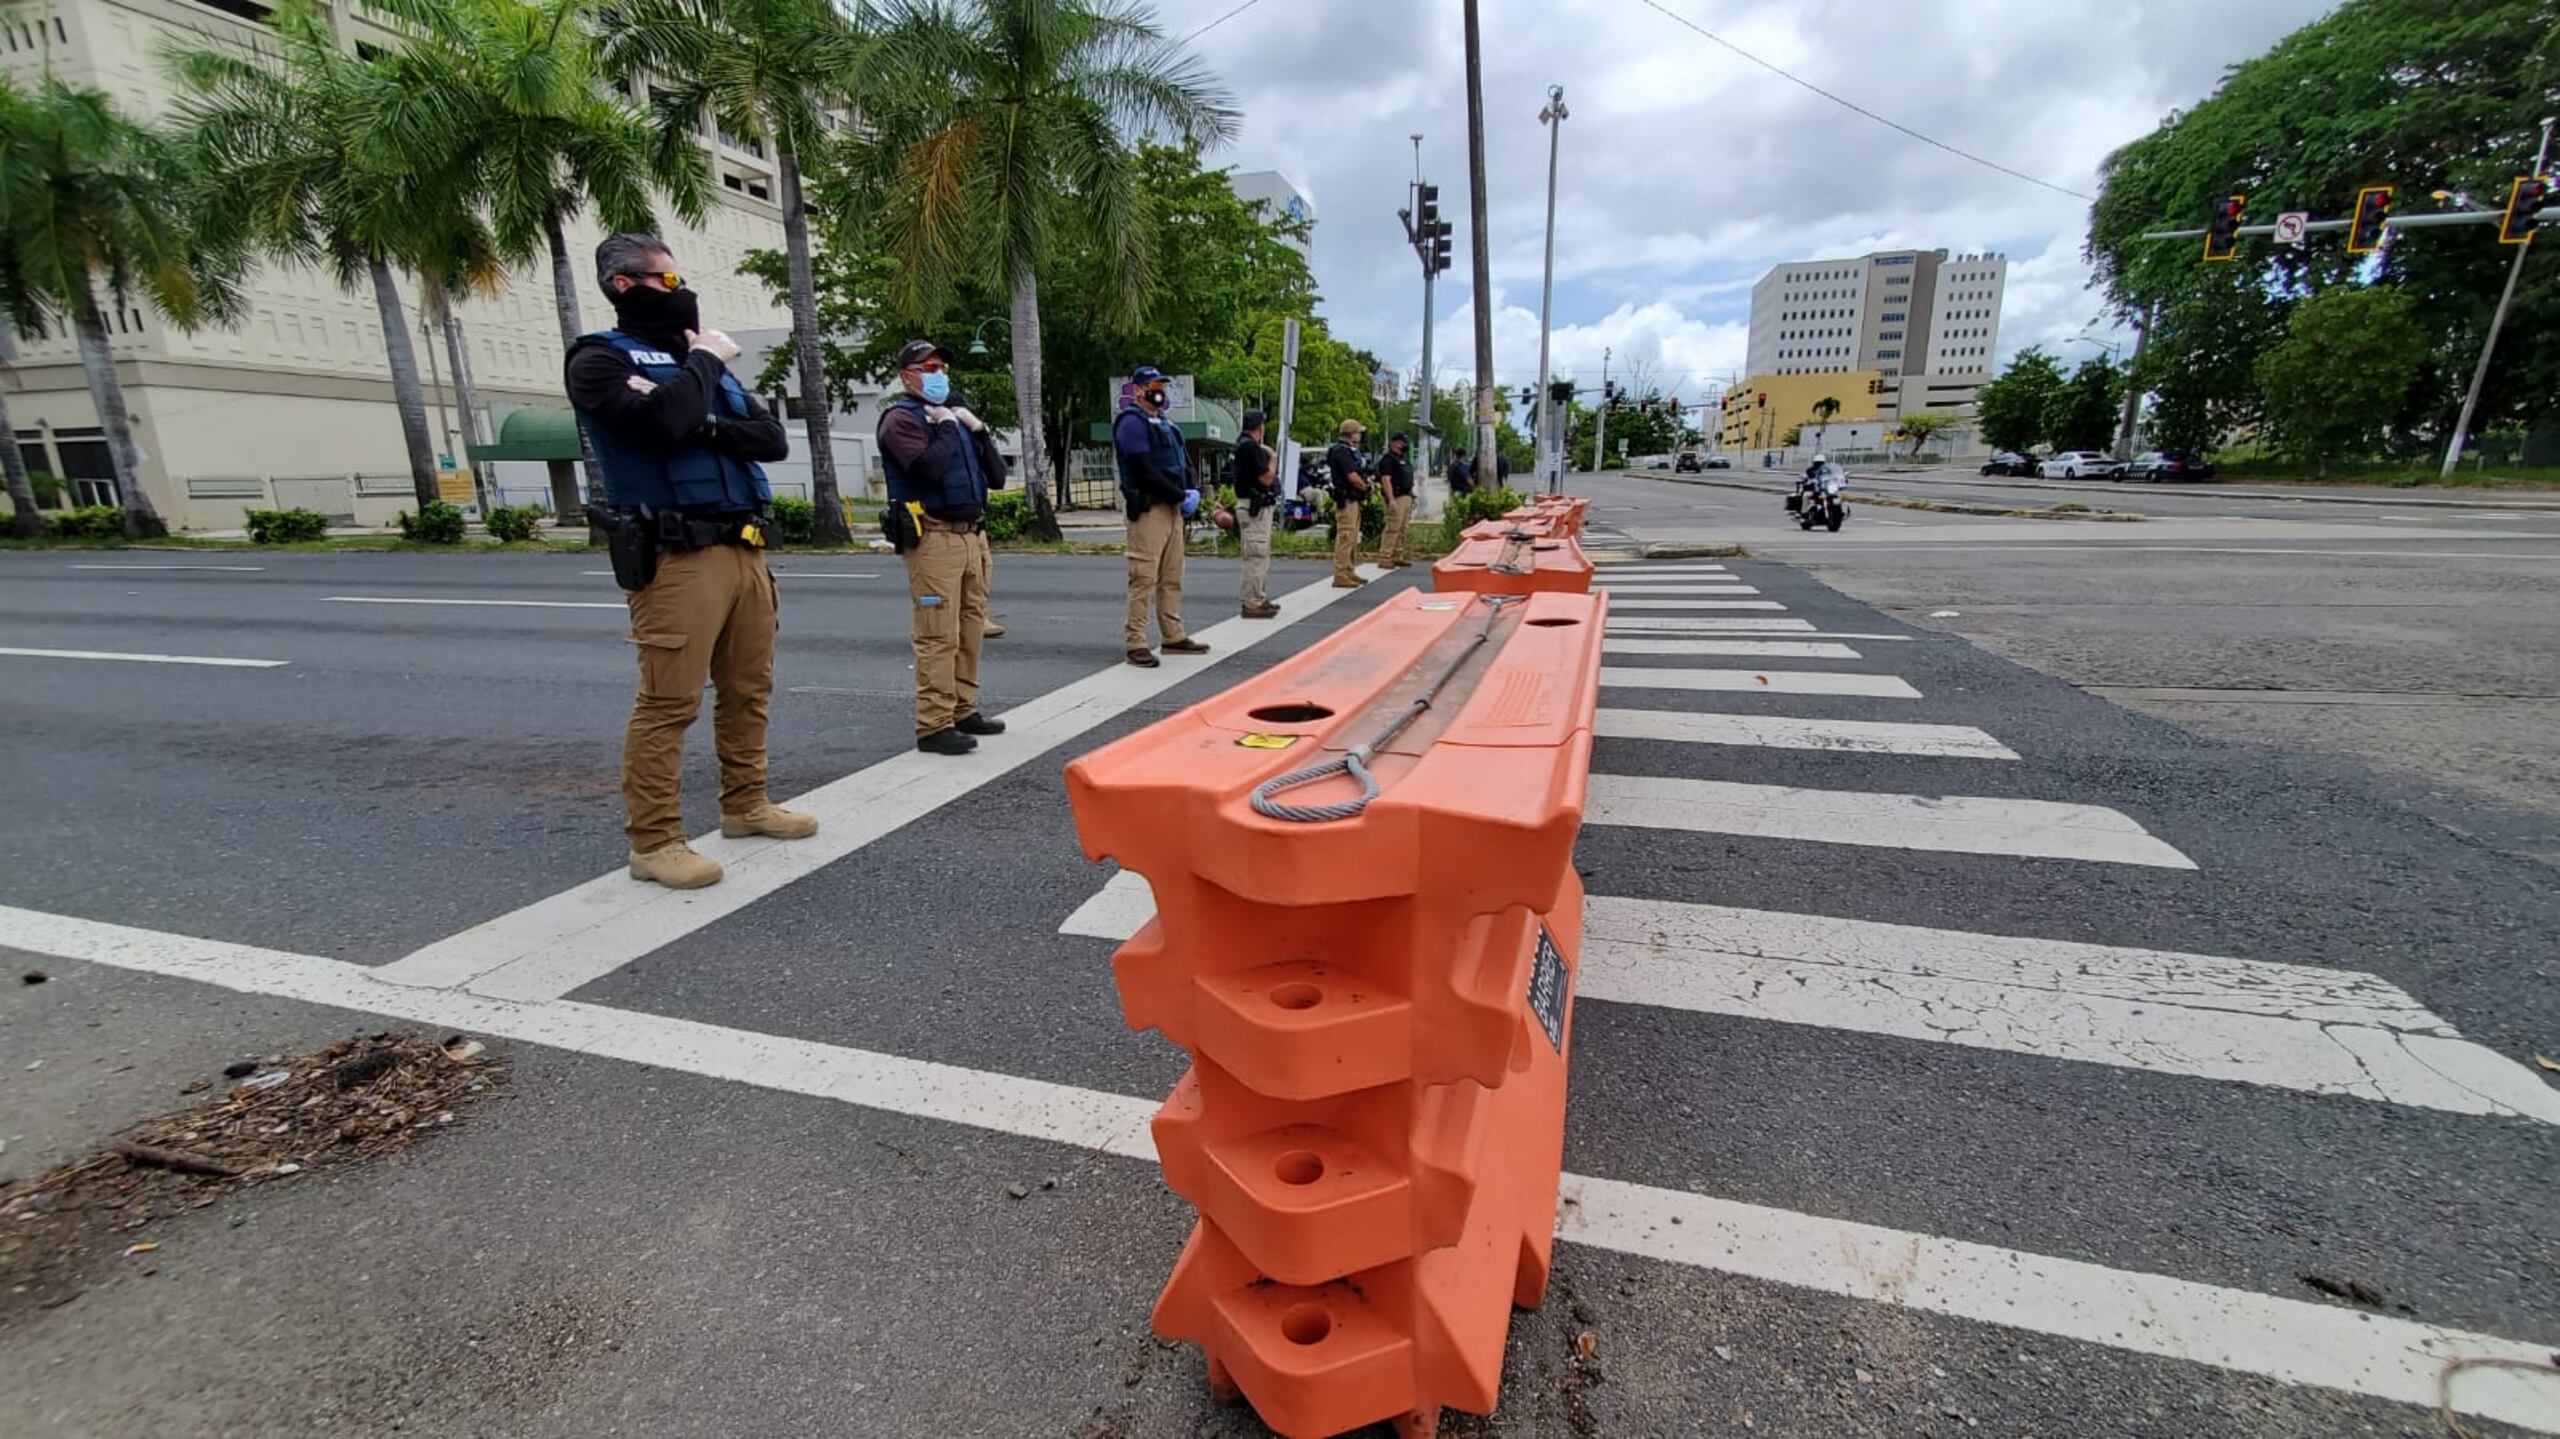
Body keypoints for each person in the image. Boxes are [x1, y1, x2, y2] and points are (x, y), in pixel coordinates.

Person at [565, 232, 815, 891]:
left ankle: (745, 802)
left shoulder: (694, 366)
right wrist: (701, 361)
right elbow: (659, 425)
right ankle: (654, 841)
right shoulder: (597, 360)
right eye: (666, 282)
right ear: (623, 284)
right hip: (677, 557)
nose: (683, 294)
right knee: (668, 702)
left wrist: (698, 403)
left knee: (747, 689)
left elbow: (770, 438)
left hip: (743, 548)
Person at [876, 338, 1009, 755]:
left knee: (970, 631)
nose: (939, 375)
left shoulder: (954, 418)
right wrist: (949, 427)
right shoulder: (900, 420)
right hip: (933, 537)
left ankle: (963, 708)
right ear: (907, 376)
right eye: (929, 367)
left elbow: (998, 477)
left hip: (972, 537)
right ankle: (933, 724)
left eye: (942, 368)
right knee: (938, 635)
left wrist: (979, 430)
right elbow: (928, 469)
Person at [1114, 364, 1210, 667]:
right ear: (1138, 389)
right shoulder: (1131, 422)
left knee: (1172, 576)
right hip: (1150, 508)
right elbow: (1143, 469)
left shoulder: (1166, 424)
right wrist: (1179, 495)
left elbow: (1182, 462)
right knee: (1143, 577)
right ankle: (1136, 642)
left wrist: (1192, 490)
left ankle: (1172, 635)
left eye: (1161, 385)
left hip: (1172, 508)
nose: (1159, 391)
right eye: (1153, 386)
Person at [1231, 409, 1281, 618]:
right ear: (1259, 426)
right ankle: (1252, 602)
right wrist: (1273, 458)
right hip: (1254, 507)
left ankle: (1257, 596)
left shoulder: (1242, 445)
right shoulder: (1250, 447)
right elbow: (1266, 478)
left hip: (1252, 505)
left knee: (1258, 554)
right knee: (1256, 555)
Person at [1325, 418, 1371, 588]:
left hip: (1353, 499)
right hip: (1346, 498)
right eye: (1358, 432)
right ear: (1351, 434)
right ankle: (1340, 573)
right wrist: (1365, 487)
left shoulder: (1349, 451)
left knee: (1352, 536)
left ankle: (1349, 570)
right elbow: (1351, 476)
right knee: (1345, 536)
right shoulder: (1341, 452)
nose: (1360, 435)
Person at [1376, 431, 1416, 568]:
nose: (1404, 445)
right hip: (1396, 497)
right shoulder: (1388, 460)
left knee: (1402, 529)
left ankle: (1397, 555)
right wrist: (1391, 499)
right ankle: (1385, 557)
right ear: (1394, 443)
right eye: (1402, 442)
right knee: (1392, 528)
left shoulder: (1403, 459)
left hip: (1406, 496)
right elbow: (1386, 480)